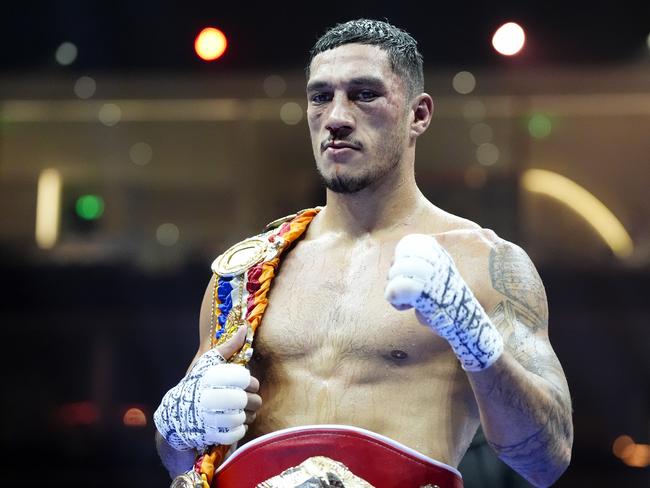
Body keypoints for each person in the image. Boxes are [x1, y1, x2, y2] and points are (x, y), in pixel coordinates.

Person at [153, 19, 573, 487]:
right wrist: (176, 423)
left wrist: (472, 335)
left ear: (419, 115)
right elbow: (182, 462)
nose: (336, 116)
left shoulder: (482, 264)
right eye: (320, 96)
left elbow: (546, 458)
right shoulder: (248, 272)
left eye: (364, 94)